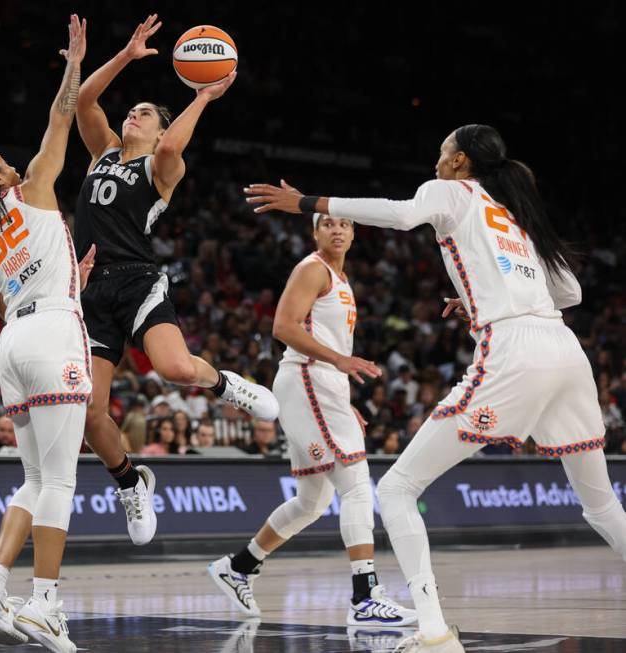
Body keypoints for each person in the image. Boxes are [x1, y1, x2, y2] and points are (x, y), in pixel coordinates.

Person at [245, 123, 626, 652]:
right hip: (564, 350)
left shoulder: (451, 191)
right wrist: (479, 301)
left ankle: (433, 632)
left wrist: (305, 200)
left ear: (460, 161)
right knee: (602, 504)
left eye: (442, 151)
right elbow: (570, 292)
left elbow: (400, 215)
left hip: (513, 350)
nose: (436, 158)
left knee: (398, 489)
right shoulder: (514, 213)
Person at [73, 14, 278, 546]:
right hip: (90, 288)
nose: (132, 115)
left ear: (163, 129)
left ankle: (226, 384)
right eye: (133, 111)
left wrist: (205, 97)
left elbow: (169, 149)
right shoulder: (101, 153)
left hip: (138, 279)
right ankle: (131, 482)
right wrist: (124, 54)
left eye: (144, 114)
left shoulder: (165, 168)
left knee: (175, 368)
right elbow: (85, 103)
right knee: (90, 411)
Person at [207, 213, 415, 627]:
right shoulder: (311, 269)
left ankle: (239, 567)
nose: (337, 230)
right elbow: (283, 327)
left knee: (313, 501)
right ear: (314, 232)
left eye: (344, 224)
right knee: (356, 484)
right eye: (327, 224)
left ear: (355, 233)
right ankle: (365, 596)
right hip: (306, 378)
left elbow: (329, 341)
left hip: (320, 386)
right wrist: (338, 365)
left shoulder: (341, 278)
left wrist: (343, 395)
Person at [0, 16, 90, 652]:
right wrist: (74, 65)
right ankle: (43, 604)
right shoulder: (34, 185)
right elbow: (59, 119)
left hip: (13, 342)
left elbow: (4, 300)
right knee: (60, 482)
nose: (13, 164)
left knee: (34, 480)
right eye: (1, 163)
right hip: (53, 333)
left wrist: (68, 279)